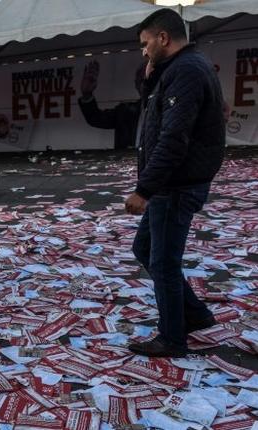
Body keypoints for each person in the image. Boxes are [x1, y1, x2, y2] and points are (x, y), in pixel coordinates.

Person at [125, 8, 226, 358]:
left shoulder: (186, 71)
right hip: (173, 183)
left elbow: (173, 137)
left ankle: (172, 337)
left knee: (164, 263)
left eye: (145, 43)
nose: (143, 51)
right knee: (144, 250)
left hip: (175, 185)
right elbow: (156, 114)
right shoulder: (178, 69)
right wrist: (151, 77)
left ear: (163, 38)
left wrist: (144, 189)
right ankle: (195, 314)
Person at [78, 61, 146, 150]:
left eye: (150, 80)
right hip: (129, 163)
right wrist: (87, 94)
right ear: (136, 84)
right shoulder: (124, 112)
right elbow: (95, 118)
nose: (145, 85)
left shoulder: (167, 110)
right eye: (142, 81)